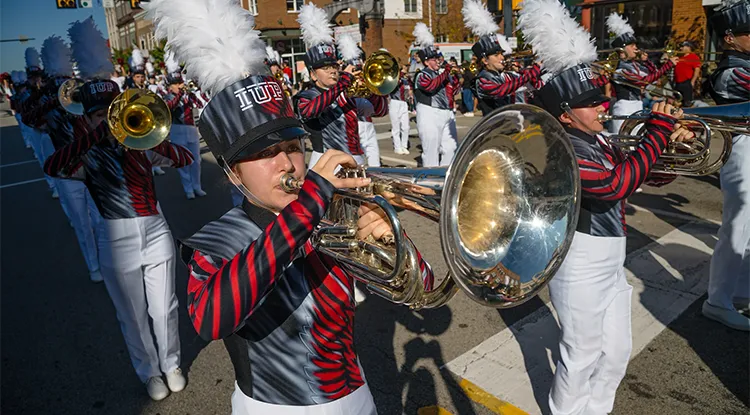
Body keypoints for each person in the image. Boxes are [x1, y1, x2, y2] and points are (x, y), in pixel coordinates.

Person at [143, 0, 434, 412]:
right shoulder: (218, 240)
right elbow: (209, 318)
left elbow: (422, 290)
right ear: (232, 174)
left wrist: (390, 239)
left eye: (292, 147)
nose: (286, 163)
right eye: (265, 154)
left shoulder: (335, 215)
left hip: (358, 399)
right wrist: (311, 203)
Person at [519, 0, 694, 413]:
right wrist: (658, 132)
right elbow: (613, 186)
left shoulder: (598, 139)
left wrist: (669, 150)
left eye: (600, 99)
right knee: (581, 356)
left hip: (613, 257)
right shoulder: (561, 150)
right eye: (590, 103)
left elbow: (641, 175)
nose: (601, 106)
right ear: (563, 115)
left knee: (615, 354)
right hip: (580, 263)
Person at [44, 15, 192, 402]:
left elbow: (183, 157)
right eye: (99, 114)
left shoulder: (141, 144)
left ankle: (172, 363)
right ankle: (149, 371)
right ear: (88, 117)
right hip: (116, 236)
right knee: (133, 316)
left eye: (113, 110)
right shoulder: (85, 154)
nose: (109, 119)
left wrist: (149, 143)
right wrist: (94, 137)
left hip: (156, 228)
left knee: (165, 308)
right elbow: (53, 167)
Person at [704, 0, 750, 331]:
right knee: (738, 223)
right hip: (740, 147)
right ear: (730, 37)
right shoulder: (730, 73)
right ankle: (717, 301)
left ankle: (742, 292)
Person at [293, 4, 386, 167]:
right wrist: (343, 82)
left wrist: (370, 89)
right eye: (325, 68)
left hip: (355, 160)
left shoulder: (346, 94)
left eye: (334, 66)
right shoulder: (307, 96)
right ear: (313, 74)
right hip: (326, 161)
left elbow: (380, 111)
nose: (332, 71)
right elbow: (309, 111)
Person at [606, 13, 678, 134]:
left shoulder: (635, 65)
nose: (636, 48)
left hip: (637, 106)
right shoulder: (620, 70)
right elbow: (643, 81)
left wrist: (647, 61)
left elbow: (654, 76)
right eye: (632, 45)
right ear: (622, 50)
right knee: (622, 142)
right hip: (624, 108)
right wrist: (668, 65)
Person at [412, 23, 459, 167]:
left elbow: (454, 91)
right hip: (429, 113)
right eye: (434, 59)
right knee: (431, 150)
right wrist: (446, 73)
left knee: (451, 148)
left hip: (447, 112)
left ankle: (445, 177)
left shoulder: (441, 73)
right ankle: (430, 182)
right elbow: (431, 86)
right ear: (426, 62)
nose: (438, 60)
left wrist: (455, 77)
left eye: (438, 57)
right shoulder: (421, 75)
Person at [162, 73, 206, 199]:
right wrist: (180, 94)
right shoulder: (167, 97)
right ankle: (188, 189)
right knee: (183, 161)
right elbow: (170, 107)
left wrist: (192, 95)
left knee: (196, 161)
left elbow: (199, 105)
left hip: (191, 128)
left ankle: (197, 186)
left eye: (179, 82)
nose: (179, 86)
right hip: (177, 129)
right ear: (170, 87)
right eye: (175, 84)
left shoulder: (187, 96)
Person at [389, 65, 413, 154]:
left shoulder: (405, 80)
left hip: (404, 103)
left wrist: (409, 79)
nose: (406, 69)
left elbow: (410, 88)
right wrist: (401, 74)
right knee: (396, 127)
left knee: (406, 127)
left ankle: (404, 146)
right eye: (403, 68)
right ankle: (397, 147)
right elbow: (395, 84)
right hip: (395, 102)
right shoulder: (392, 79)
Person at [672, 41, 702, 106]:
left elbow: (697, 69)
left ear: (688, 47)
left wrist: (693, 81)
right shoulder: (679, 57)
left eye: (682, 47)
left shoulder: (694, 57)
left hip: (686, 83)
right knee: (677, 101)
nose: (681, 48)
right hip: (677, 83)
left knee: (687, 102)